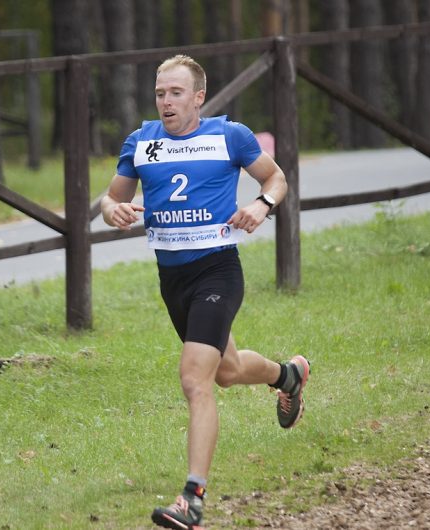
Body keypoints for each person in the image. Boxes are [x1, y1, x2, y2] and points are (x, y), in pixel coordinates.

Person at [100, 54, 310, 529]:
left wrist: (261, 204)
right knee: (228, 372)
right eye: (159, 93)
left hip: (217, 271)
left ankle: (192, 499)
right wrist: (110, 209)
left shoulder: (229, 136)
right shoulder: (141, 142)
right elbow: (109, 197)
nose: (166, 102)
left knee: (195, 379)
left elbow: (276, 178)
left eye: (176, 93)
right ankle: (288, 376)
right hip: (172, 281)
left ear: (198, 97)